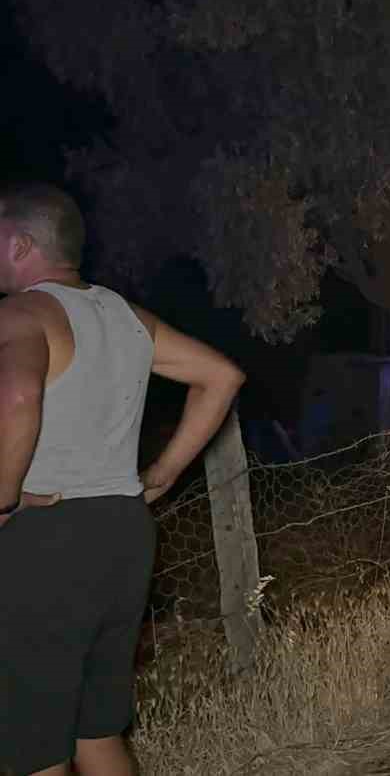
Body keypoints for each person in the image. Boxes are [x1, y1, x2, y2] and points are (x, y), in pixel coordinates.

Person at [0, 182, 246, 776]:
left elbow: (16, 393)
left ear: (18, 244)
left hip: (46, 537)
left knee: (33, 749)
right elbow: (221, 376)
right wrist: (159, 476)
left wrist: (3, 499)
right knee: (96, 731)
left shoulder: (22, 312)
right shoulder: (125, 316)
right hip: (124, 532)